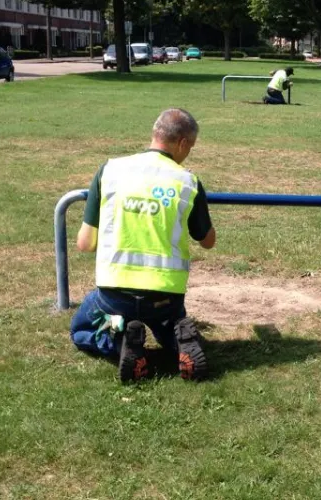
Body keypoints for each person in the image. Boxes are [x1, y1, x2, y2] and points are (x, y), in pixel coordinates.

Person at [70, 108, 217, 383]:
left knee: (81, 330)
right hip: (166, 296)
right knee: (169, 325)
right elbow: (207, 242)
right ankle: (178, 345)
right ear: (183, 143)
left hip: (115, 293)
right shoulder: (188, 182)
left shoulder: (110, 170)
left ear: (155, 133)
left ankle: (122, 343)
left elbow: (85, 244)